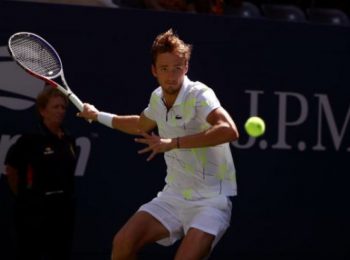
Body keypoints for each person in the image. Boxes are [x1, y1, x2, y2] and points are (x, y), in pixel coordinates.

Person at [78, 28, 239, 259]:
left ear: (186, 68)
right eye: (164, 69)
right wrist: (97, 115)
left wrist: (173, 143)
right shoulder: (157, 98)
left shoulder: (200, 94)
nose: (171, 75)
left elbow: (229, 130)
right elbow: (139, 125)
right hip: (173, 196)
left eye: (177, 68)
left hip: (210, 202)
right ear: (154, 71)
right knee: (123, 242)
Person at [5, 87, 78, 260]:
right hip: (34, 214)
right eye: (55, 107)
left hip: (62, 212)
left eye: (63, 107)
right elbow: (12, 170)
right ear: (42, 110)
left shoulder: (68, 139)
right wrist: (26, 197)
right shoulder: (29, 140)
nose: (60, 111)